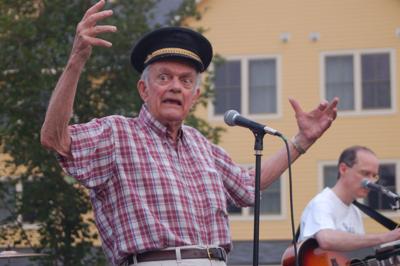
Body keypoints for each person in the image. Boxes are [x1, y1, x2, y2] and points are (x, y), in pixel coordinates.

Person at [40, 1, 338, 265]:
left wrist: (301, 141)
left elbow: (248, 186)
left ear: (194, 96)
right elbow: (55, 138)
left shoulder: (201, 145)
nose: (174, 87)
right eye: (164, 77)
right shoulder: (116, 133)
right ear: (144, 89)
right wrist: (77, 60)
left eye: (185, 81)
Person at [298, 145, 400, 252]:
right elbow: (326, 239)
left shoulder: (354, 211)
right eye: (365, 173)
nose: (371, 182)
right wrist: (385, 237)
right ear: (343, 169)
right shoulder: (322, 203)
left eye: (374, 176)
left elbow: (357, 255)